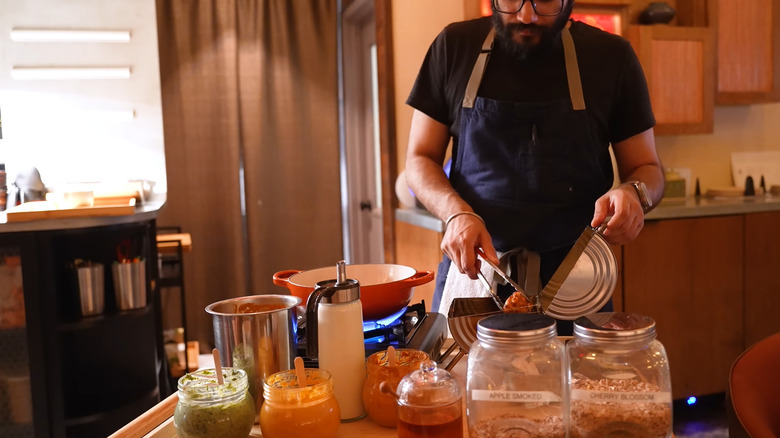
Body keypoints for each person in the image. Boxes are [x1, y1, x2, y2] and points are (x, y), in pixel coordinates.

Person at [404, 0, 665, 333]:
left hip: (579, 284)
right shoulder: (453, 47)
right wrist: (455, 213)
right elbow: (419, 158)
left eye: (545, 0)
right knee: (468, 383)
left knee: (577, 383)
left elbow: (648, 168)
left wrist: (635, 193)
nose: (527, 15)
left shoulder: (612, 57)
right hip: (477, 273)